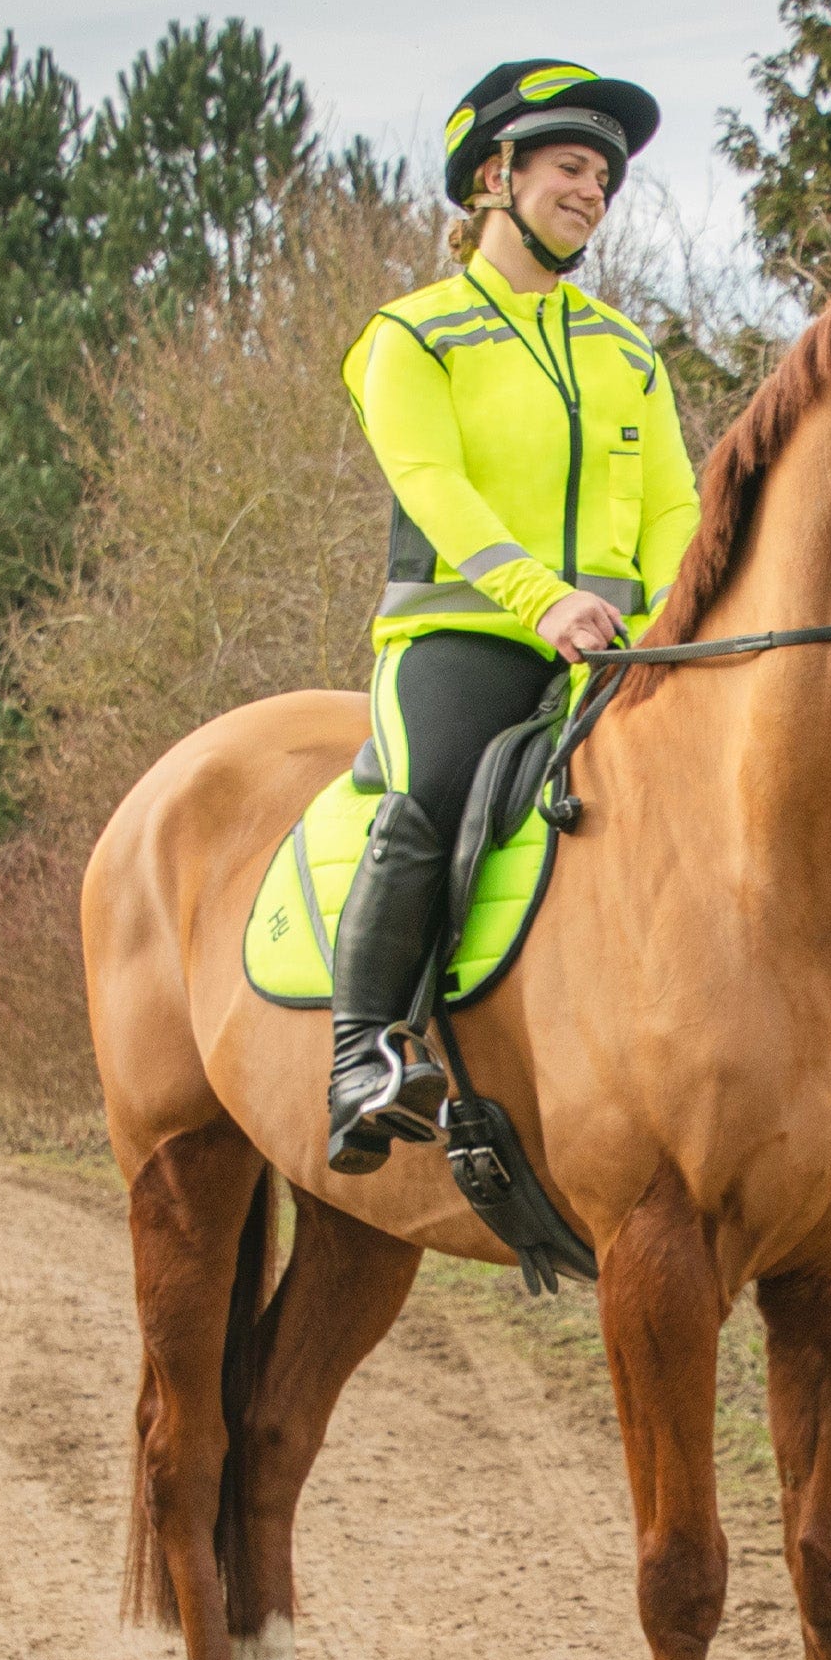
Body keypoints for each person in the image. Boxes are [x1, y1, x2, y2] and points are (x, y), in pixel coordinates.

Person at [328, 60, 700, 1174]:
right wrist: (544, 602)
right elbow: (435, 490)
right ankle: (362, 1056)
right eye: (570, 167)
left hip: (620, 650)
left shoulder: (627, 351)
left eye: (604, 177)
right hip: (463, 638)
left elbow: (677, 504)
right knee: (433, 786)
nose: (592, 189)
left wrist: (678, 619)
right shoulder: (410, 336)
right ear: (495, 176)